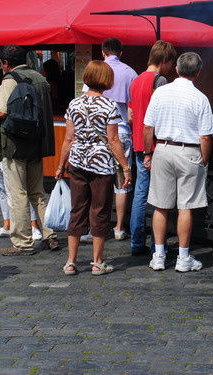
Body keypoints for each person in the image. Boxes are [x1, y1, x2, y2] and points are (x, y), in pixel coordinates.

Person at [0, 44, 59, 255]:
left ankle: (22, 241)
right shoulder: (40, 78)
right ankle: (50, 235)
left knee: (17, 193)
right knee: (38, 193)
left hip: (14, 144)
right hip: (36, 143)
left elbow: (2, 112)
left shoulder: (10, 79)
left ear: (4, 62)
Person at [56, 61, 132, 275]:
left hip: (78, 162)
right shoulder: (109, 106)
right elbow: (113, 139)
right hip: (101, 164)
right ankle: (97, 262)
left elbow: (68, 139)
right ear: (107, 80)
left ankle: (71, 261)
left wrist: (61, 164)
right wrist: (125, 168)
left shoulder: (74, 104)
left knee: (77, 209)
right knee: (100, 211)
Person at [143, 52, 213, 273]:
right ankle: (183, 258)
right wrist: (205, 159)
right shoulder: (200, 98)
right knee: (185, 207)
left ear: (177, 69)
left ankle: (159, 255)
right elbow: (205, 137)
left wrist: (148, 153)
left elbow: (147, 128)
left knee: (160, 205)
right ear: (198, 73)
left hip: (163, 149)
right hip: (189, 152)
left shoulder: (160, 92)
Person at [128, 40, 177, 256]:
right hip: (155, 144)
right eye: (170, 62)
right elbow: (164, 112)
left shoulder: (136, 80)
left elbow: (130, 115)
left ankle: (136, 241)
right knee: (160, 197)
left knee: (140, 193)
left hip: (138, 140)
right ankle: (159, 243)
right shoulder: (160, 80)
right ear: (164, 60)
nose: (171, 67)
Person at [0, 111, 41, 239]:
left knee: (22, 187)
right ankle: (7, 224)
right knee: (2, 188)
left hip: (12, 142)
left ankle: (33, 225)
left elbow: (3, 113)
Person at [100, 37, 138, 241]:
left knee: (97, 181)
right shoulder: (130, 72)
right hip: (122, 131)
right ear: (121, 52)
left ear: (103, 52)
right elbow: (132, 110)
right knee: (122, 183)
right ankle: (119, 227)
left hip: (99, 133)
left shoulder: (96, 70)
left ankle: (97, 226)